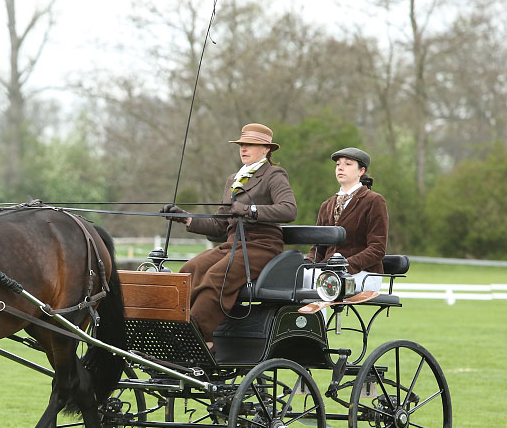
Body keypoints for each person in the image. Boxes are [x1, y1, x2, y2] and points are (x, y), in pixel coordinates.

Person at [161, 123, 297, 350]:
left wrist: (251, 211)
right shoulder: (234, 179)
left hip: (262, 245)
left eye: (250, 145)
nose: (244, 149)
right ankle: (173, 327)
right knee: (190, 270)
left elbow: (288, 209)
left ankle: (199, 337)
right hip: (233, 243)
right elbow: (219, 225)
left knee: (216, 275)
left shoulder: (273, 175)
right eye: (242, 144)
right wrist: (186, 218)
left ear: (266, 149)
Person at [307, 147, 387, 292]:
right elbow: (318, 248)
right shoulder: (327, 205)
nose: (340, 168)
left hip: (364, 274)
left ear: (361, 171)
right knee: (300, 277)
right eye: (338, 164)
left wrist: (345, 265)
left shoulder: (374, 200)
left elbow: (377, 248)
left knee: (323, 283)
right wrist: (306, 263)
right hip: (329, 273)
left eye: (348, 164)